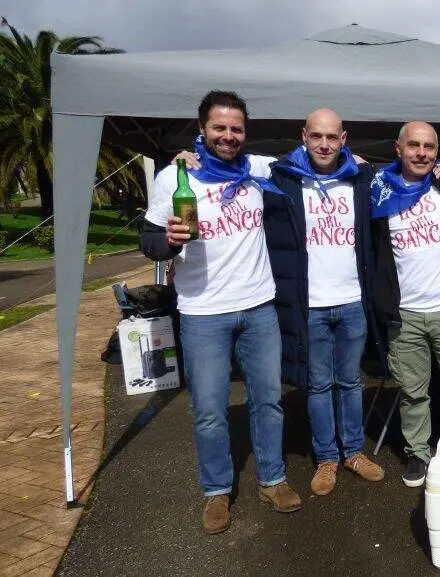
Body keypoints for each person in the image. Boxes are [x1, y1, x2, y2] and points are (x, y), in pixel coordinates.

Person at [139, 90, 302, 534]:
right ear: (202, 131)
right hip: (202, 313)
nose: (228, 136)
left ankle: (272, 478)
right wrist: (169, 241)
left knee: (267, 401)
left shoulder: (257, 170)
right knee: (210, 409)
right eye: (219, 128)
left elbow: (312, 160)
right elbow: (148, 240)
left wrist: (358, 165)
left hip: (259, 307)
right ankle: (216, 491)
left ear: (244, 132)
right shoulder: (176, 179)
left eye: (236, 128)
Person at [264, 108, 386, 494]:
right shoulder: (283, 179)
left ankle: (353, 451)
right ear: (304, 136)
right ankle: (327, 458)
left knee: (349, 381)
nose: (324, 144)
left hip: (352, 300)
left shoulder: (360, 179)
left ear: (344, 139)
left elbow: (401, 178)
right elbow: (237, 171)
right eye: (317, 136)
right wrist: (190, 156)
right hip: (310, 304)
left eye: (332, 137)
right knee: (317, 385)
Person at [369, 121, 440, 488]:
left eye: (429, 147)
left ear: (437, 151)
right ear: (398, 149)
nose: (421, 153)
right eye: (413, 145)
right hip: (406, 314)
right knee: (413, 392)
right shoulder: (378, 193)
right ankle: (418, 453)